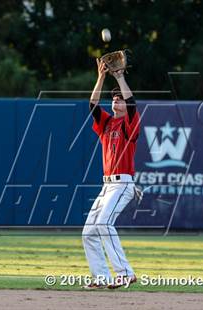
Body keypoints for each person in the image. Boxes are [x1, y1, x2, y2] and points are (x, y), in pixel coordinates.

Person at [82, 59, 140, 289]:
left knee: (104, 224)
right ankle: (101, 277)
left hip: (123, 184)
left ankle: (125, 273)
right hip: (106, 187)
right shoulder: (106, 123)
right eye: (113, 97)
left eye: (119, 98)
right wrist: (101, 76)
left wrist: (119, 77)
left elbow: (132, 103)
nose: (116, 99)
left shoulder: (129, 124)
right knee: (88, 233)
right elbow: (92, 104)